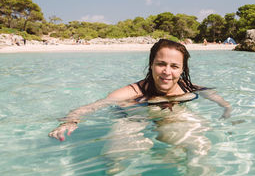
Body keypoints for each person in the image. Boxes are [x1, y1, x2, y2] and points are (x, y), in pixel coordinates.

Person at [49, 39, 232, 141]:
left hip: (170, 116)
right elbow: (95, 106)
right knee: (121, 150)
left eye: (174, 66)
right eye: (161, 64)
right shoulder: (133, 91)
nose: (167, 72)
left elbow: (211, 94)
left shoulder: (188, 87)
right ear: (151, 65)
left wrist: (227, 108)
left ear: (182, 69)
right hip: (134, 117)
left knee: (198, 139)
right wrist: (70, 121)